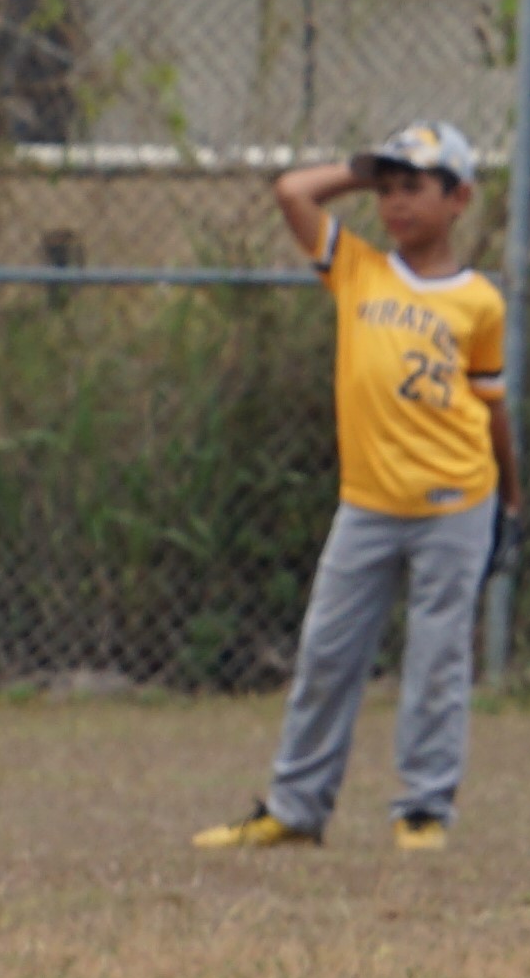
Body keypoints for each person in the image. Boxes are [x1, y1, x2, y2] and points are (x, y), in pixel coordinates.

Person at [193, 123, 513, 855]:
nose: (396, 203)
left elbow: (491, 407)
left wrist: (512, 500)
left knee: (436, 661)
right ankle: (294, 810)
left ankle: (423, 810)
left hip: (456, 501)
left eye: (416, 187)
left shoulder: (478, 302)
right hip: (367, 505)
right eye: (388, 189)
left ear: (459, 198)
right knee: (327, 654)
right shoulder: (359, 268)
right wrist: (362, 170)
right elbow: (291, 192)